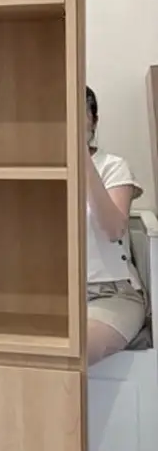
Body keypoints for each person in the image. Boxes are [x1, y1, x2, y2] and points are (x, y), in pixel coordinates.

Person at [87, 86, 147, 364]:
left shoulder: (112, 166)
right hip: (53, 294)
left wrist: (80, 157)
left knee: (71, 352)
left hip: (111, 294)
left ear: (94, 121)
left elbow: (113, 229)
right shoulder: (39, 168)